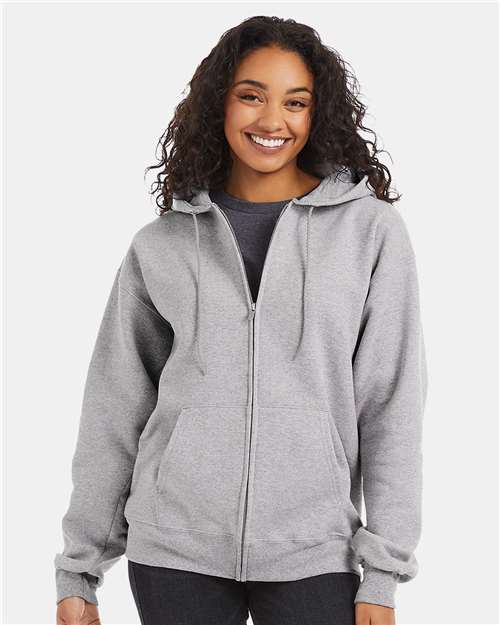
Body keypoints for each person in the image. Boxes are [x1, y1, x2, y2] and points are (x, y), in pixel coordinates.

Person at [54, 15, 427, 625]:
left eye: (295, 102)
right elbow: (114, 406)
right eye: (252, 95)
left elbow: (391, 404)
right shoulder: (163, 243)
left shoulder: (370, 233)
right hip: (173, 549)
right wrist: (80, 566)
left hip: (315, 548)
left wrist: (383, 573)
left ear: (317, 114)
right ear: (219, 104)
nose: (273, 120)